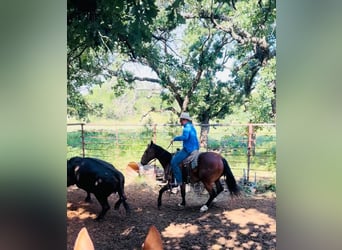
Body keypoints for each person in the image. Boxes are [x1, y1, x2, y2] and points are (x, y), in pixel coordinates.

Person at [170, 112, 199, 186]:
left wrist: (175, 138)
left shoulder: (186, 128)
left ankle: (179, 181)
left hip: (188, 149)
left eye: (181, 120)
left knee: (174, 162)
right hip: (195, 148)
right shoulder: (192, 127)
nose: (181, 122)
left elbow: (185, 137)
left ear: (185, 120)